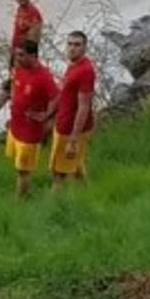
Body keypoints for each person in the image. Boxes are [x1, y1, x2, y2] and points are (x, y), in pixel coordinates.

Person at [3, 39, 59, 197]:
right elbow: (14, 85)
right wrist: (13, 103)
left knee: (24, 170)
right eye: (16, 55)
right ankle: (25, 194)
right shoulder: (19, 69)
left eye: (21, 55)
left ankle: (20, 200)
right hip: (16, 126)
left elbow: (56, 97)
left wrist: (47, 115)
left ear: (33, 56)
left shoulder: (44, 76)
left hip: (30, 131)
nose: (17, 58)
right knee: (17, 165)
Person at [0, 0, 45, 124]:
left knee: (19, 86)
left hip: (24, 57)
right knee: (11, 84)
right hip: (15, 54)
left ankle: (13, 116)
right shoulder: (20, 10)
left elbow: (34, 40)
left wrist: (23, 58)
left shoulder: (33, 13)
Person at [50, 31, 96, 189]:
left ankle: (53, 203)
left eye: (77, 45)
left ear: (85, 47)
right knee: (76, 166)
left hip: (70, 129)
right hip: (63, 122)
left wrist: (73, 139)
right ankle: (88, 193)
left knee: (59, 173)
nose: (72, 48)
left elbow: (84, 106)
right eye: (69, 44)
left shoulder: (86, 71)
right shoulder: (73, 65)